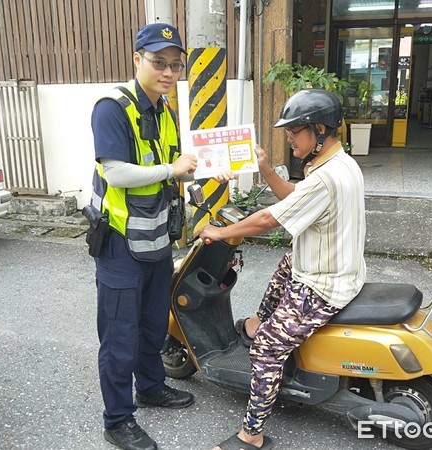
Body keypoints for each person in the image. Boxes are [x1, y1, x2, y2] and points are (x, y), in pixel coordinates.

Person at [90, 23, 234, 450]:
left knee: (153, 325)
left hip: (154, 239)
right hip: (118, 242)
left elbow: (175, 164)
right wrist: (174, 170)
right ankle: (117, 420)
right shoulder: (112, 107)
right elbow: (115, 171)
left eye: (175, 65)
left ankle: (150, 386)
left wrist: (203, 173)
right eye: (159, 63)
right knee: (120, 336)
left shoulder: (164, 109)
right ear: (137, 60)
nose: (168, 72)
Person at [198, 89, 367, 450]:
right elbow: (294, 197)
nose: (288, 137)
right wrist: (264, 170)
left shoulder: (325, 177)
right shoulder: (338, 164)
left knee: (266, 350)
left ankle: (252, 434)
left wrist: (220, 231)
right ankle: (261, 320)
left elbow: (266, 220)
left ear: (318, 130)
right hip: (337, 266)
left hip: (324, 284)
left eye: (294, 130)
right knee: (288, 261)